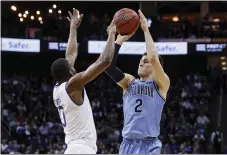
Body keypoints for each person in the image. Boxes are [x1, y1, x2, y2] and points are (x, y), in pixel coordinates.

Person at [51, 9, 116, 154]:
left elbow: (71, 54)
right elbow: (105, 61)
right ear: (69, 72)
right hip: (81, 149)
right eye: (71, 67)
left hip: (74, 148)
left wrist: (73, 28)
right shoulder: (73, 85)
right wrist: (111, 33)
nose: (73, 66)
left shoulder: (58, 88)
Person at [105, 9, 170, 154]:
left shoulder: (161, 85)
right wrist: (118, 41)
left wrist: (145, 30)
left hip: (150, 145)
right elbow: (109, 67)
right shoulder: (129, 82)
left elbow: (153, 57)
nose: (141, 63)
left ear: (154, 67)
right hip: (128, 144)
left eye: (145, 61)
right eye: (140, 61)